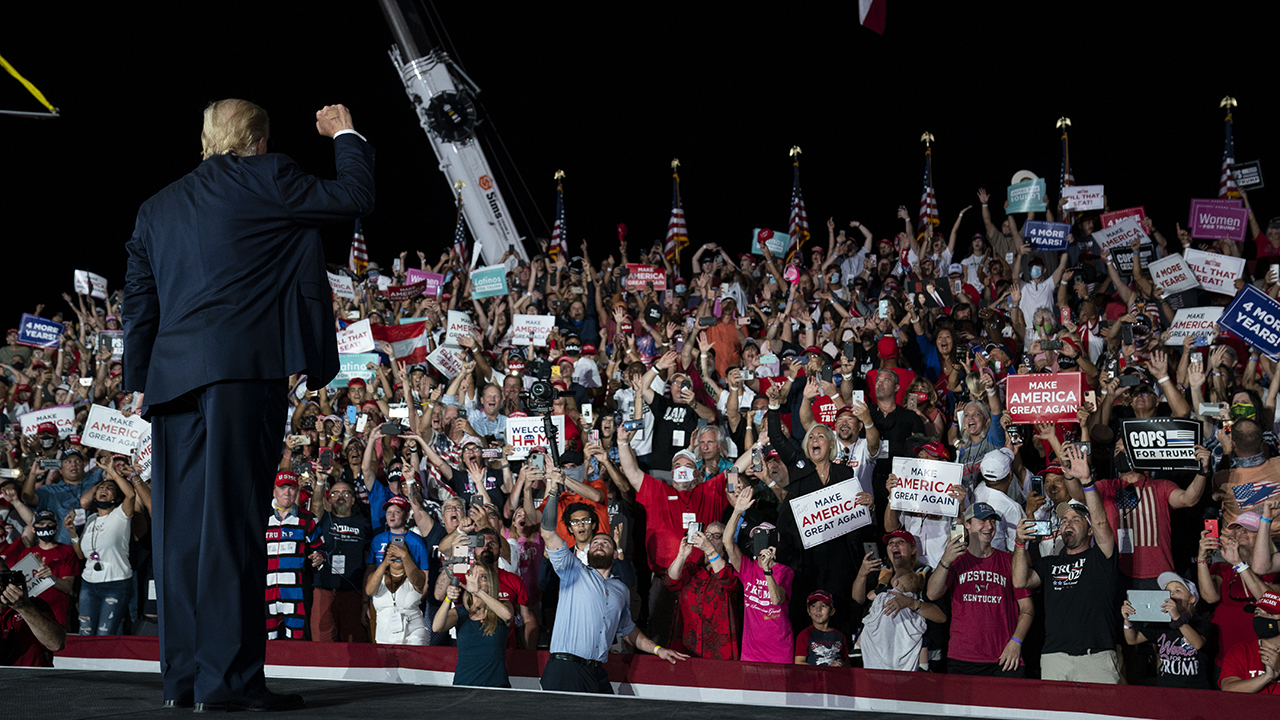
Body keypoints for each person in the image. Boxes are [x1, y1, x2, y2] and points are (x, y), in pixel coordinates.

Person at [123, 100, 373, 710]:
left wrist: (138, 378)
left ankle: (183, 682)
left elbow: (139, 298)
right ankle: (229, 683)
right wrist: (344, 133)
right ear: (258, 140)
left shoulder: (156, 207)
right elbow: (353, 196)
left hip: (172, 382)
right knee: (233, 525)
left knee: (180, 535)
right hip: (240, 376)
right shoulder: (268, 176)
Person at [538, 467, 686, 693]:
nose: (598, 545)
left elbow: (628, 630)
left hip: (596, 671)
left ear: (615, 553)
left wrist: (657, 650)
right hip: (564, 668)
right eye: (595, 543)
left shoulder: (620, 589)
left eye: (605, 543)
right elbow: (548, 532)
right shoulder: (573, 571)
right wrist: (552, 493)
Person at [1013, 445, 1120, 684]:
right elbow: (1020, 580)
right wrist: (1020, 543)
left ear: (1089, 528)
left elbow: (1102, 522)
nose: (1067, 523)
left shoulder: (1101, 557)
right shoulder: (1050, 563)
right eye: (1064, 520)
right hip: (1054, 657)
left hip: (1096, 657)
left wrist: (1087, 481)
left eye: (1076, 519)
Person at [927, 502, 1034, 677]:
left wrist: (1016, 642)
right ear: (967, 525)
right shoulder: (956, 560)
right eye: (983, 521)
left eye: (992, 521)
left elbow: (1027, 608)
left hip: (1005, 658)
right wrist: (945, 561)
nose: (990, 526)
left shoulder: (1009, 560)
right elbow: (932, 594)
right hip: (964, 657)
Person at [1120, 572, 1213, 689]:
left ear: (1192, 599)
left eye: (1178, 591)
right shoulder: (1162, 624)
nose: (1172, 594)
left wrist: (1176, 619)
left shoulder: (1201, 622)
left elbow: (1198, 644)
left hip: (1195, 689)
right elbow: (1132, 640)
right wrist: (1128, 621)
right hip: (1166, 688)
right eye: (1168, 591)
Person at [72, 463, 134, 636]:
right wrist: (72, 534)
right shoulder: (91, 519)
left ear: (117, 496)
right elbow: (81, 555)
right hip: (88, 585)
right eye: (101, 488)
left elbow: (130, 494)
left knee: (104, 635)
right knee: (85, 634)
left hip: (115, 583)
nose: (104, 490)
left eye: (109, 488)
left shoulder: (120, 515)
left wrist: (113, 474)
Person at [264, 471, 325, 641]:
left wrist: (319, 557)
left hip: (296, 594)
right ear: (274, 491)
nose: (287, 493)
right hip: (266, 592)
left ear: (297, 491)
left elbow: (321, 550)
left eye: (291, 489)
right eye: (282, 488)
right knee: (266, 644)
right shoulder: (261, 517)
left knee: (298, 644)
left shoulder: (308, 519)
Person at [664, 522, 740, 660]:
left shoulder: (732, 569)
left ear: (724, 541)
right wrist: (681, 555)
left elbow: (728, 581)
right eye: (707, 535)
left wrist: (711, 551)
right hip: (688, 644)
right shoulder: (693, 570)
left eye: (716, 536)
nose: (710, 539)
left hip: (718, 649)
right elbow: (670, 582)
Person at [432, 563, 513, 688]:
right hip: (464, 685)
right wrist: (448, 599)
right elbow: (437, 627)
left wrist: (478, 592)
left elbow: (507, 615)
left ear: (491, 582)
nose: (477, 580)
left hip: (496, 687)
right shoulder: (461, 613)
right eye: (473, 575)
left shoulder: (502, 606)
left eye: (483, 577)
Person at [310, 480, 371, 643]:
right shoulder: (322, 521)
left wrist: (365, 600)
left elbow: (369, 563)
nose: (340, 496)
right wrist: (321, 481)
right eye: (335, 493)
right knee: (322, 644)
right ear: (328, 500)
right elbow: (314, 508)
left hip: (353, 593)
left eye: (346, 493)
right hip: (324, 591)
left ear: (353, 500)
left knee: (355, 646)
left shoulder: (363, 523)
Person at [365, 496, 429, 645]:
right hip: (383, 614)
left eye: (397, 512)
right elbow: (369, 573)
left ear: (407, 515)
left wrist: (414, 600)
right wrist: (365, 603)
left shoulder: (417, 541)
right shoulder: (377, 540)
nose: (392, 515)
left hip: (411, 618)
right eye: (389, 512)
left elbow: (424, 577)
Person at [1, 557, 66, 666]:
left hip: (36, 679)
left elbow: (56, 644)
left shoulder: (36, 605)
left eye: (4, 576)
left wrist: (24, 607)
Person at [1219, 590, 1280, 694]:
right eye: (1257, 613)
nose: (1260, 618)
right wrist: (1266, 677)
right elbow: (1228, 688)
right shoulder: (1241, 650)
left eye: (1269, 614)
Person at [793, 590, 848, 667]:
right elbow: (799, 663)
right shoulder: (805, 635)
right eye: (813, 606)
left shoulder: (840, 636)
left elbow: (847, 663)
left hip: (835, 678)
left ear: (832, 611)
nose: (818, 609)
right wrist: (827, 668)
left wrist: (842, 664)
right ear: (808, 611)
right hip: (813, 678)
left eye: (823, 606)